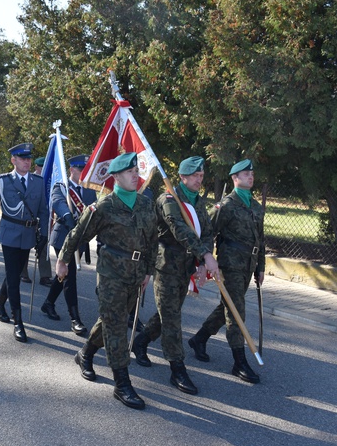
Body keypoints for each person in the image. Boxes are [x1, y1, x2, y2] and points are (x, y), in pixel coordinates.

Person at [56, 152, 158, 410]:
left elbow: (151, 241)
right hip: (111, 273)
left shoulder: (146, 204)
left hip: (135, 274)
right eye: (129, 171)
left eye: (136, 170)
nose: (136, 175)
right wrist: (63, 260)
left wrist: (148, 270)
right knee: (116, 326)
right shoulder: (103, 206)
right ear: (115, 177)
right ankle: (122, 383)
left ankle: (85, 354)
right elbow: (78, 233)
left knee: (110, 320)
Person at [130, 156, 219, 395]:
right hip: (167, 267)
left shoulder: (198, 202)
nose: (200, 180)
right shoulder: (169, 200)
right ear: (182, 177)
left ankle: (141, 341)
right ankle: (177, 368)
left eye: (201, 176)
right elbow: (180, 230)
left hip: (186, 267)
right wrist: (205, 254)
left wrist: (203, 258)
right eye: (195, 176)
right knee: (172, 320)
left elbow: (207, 232)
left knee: (167, 313)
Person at [187, 159, 265, 384]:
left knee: (229, 305)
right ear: (235, 178)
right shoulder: (226, 205)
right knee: (236, 310)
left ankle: (199, 339)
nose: (250, 177)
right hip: (230, 265)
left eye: (252, 173)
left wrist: (261, 267)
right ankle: (239, 361)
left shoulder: (256, 205)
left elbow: (261, 239)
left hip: (248, 265)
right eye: (245, 174)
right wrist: (206, 260)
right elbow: (208, 232)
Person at [0, 143, 47, 343]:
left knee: (12, 273)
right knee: (14, 277)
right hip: (9, 233)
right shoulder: (4, 181)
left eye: (29, 158)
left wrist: (44, 236)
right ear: (13, 160)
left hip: (28, 234)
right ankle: (18, 322)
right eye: (22, 158)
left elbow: (43, 209)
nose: (27, 161)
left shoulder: (38, 182)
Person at [40, 154, 97, 336]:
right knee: (70, 275)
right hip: (63, 237)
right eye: (80, 169)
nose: (82, 173)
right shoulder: (61, 186)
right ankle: (75, 319)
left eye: (85, 170)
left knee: (63, 273)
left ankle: (48, 303)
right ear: (72, 169)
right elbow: (58, 203)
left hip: (80, 239)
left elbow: (95, 211)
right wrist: (66, 217)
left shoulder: (89, 190)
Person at [20, 157, 54, 286]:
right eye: (41, 167)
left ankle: (45, 276)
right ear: (36, 168)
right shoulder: (30, 180)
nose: (44, 170)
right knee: (25, 246)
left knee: (44, 246)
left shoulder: (50, 182)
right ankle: (23, 273)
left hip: (44, 218)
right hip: (30, 219)